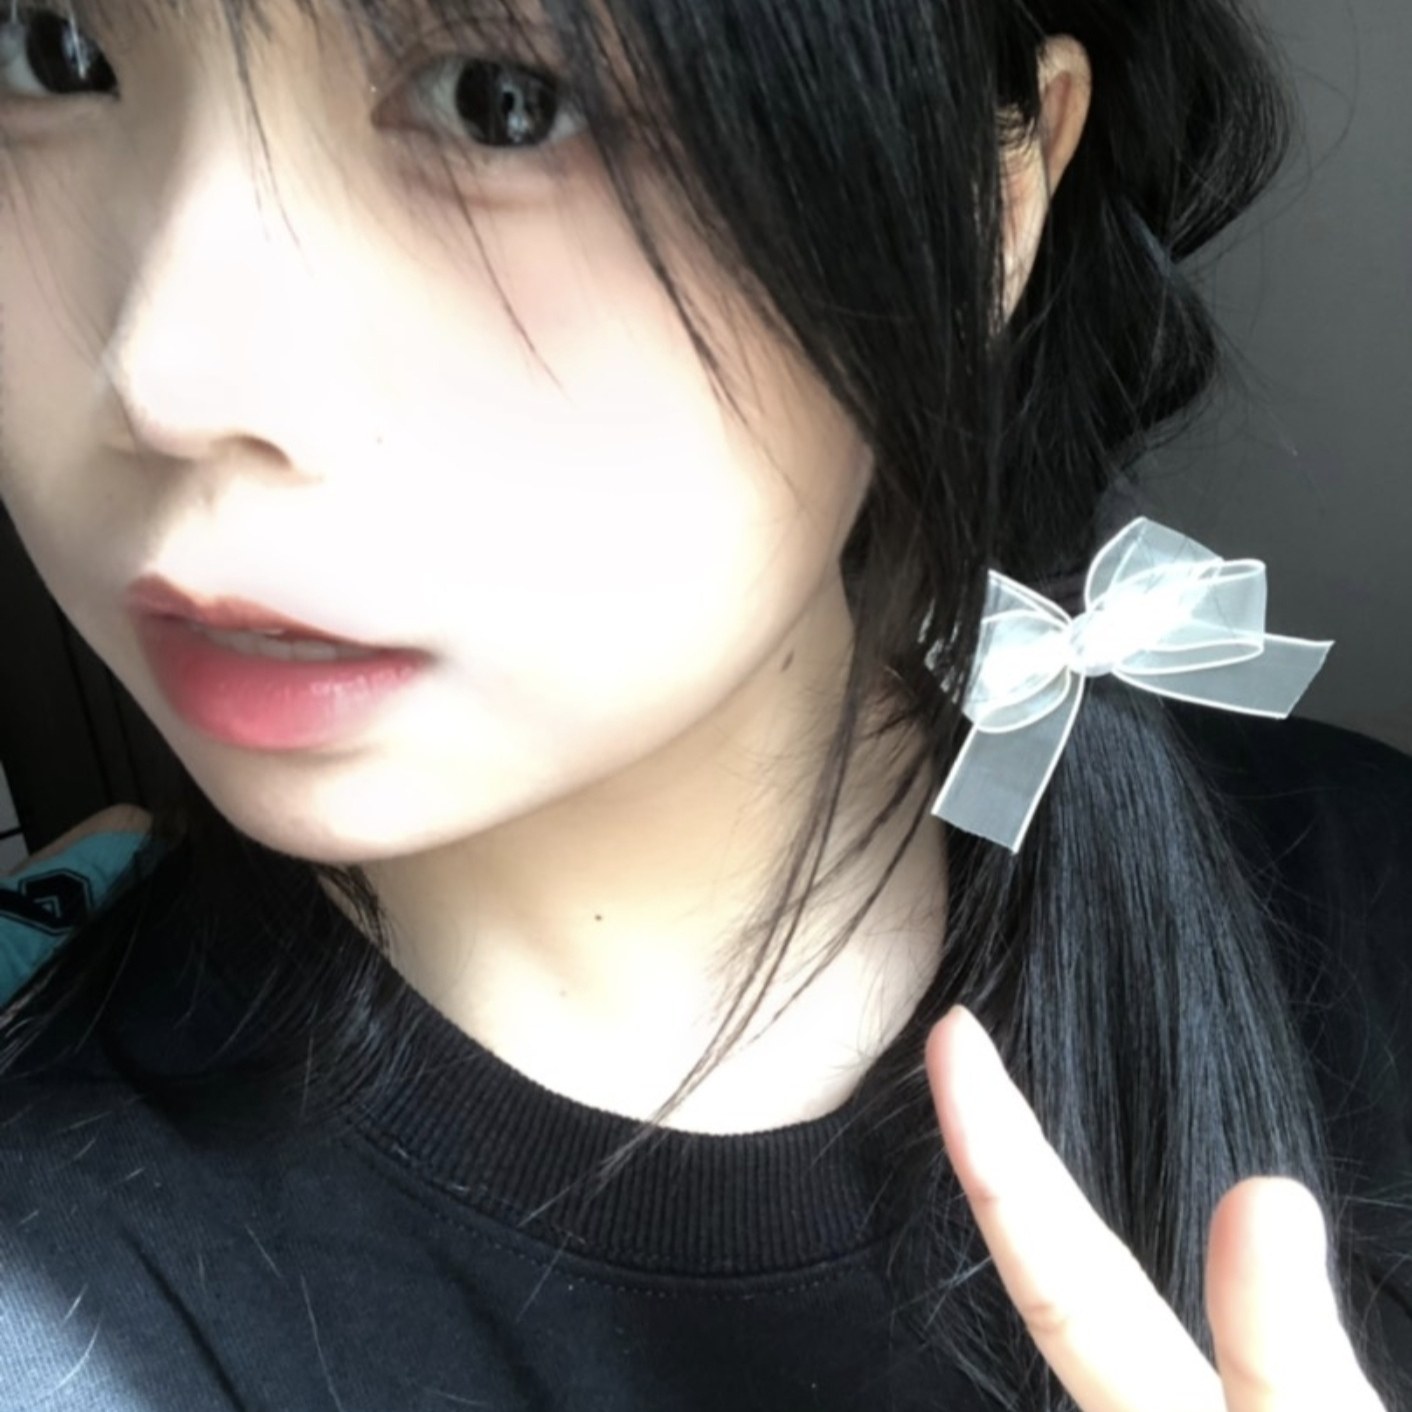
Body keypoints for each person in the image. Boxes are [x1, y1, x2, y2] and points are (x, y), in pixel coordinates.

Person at [0, 0, 1408, 1406]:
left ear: (992, 204)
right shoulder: (59, 1307)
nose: (161, 377)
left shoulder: (1369, 890)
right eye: (51, 48)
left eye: (500, 101)